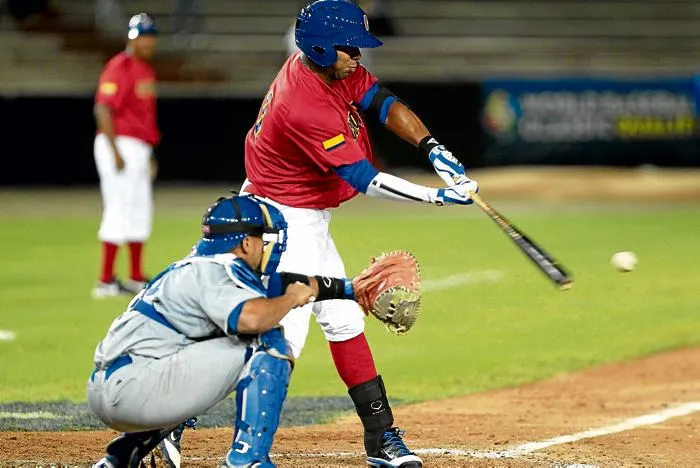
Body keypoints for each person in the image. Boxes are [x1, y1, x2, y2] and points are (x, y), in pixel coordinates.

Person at [241, 1, 479, 466]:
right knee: (280, 338)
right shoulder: (304, 101)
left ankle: (380, 439)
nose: (359, 56)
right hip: (281, 221)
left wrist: (434, 149)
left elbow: (382, 103)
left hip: (303, 213)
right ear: (321, 47)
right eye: (351, 48)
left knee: (345, 321)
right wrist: (436, 198)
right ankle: (236, 447)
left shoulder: (330, 67)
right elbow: (365, 179)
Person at [89, 194, 383, 468]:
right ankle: (248, 460)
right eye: (263, 239)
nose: (269, 246)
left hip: (117, 386)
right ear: (245, 244)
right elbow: (254, 319)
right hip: (135, 390)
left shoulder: (201, 265)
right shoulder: (217, 271)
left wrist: (349, 289)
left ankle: (125, 453)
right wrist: (293, 299)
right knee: (266, 341)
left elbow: (286, 283)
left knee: (225, 341)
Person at [92, 13, 160, 299]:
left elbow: (143, 117)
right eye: (140, 35)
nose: (144, 41)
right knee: (118, 208)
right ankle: (105, 281)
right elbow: (103, 109)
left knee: (140, 209)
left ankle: (134, 276)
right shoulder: (119, 66)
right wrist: (115, 151)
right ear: (130, 38)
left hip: (139, 147)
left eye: (148, 35)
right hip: (118, 143)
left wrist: (148, 155)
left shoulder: (145, 71)